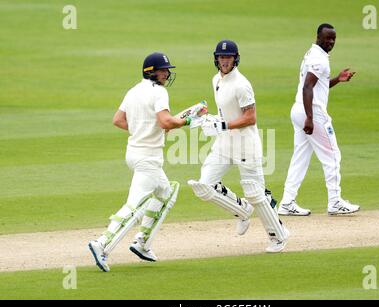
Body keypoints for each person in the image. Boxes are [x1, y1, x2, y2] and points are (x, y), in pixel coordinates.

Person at [88, 52, 206, 272]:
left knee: (166, 193)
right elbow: (166, 122)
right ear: (151, 72)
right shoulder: (159, 92)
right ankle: (101, 244)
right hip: (148, 159)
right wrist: (191, 120)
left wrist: (143, 130)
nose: (167, 74)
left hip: (134, 153)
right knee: (135, 207)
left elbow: (118, 120)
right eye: (163, 70)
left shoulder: (133, 90)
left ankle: (142, 243)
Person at [188, 40, 289, 253]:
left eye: (228, 57)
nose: (224, 61)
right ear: (216, 58)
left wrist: (220, 125)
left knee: (255, 192)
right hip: (224, 144)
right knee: (204, 186)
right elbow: (227, 114)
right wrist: (209, 119)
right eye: (221, 57)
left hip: (246, 145)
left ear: (236, 58)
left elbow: (250, 118)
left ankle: (279, 236)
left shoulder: (242, 85)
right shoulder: (216, 79)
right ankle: (242, 210)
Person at [278, 23, 360, 216]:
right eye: (327, 38)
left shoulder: (313, 54)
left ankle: (287, 202)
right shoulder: (319, 59)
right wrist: (310, 117)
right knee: (332, 156)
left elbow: (317, 86)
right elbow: (308, 87)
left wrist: (337, 80)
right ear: (318, 37)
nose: (331, 42)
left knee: (300, 158)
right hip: (312, 111)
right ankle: (335, 202)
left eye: (333, 39)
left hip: (299, 109)